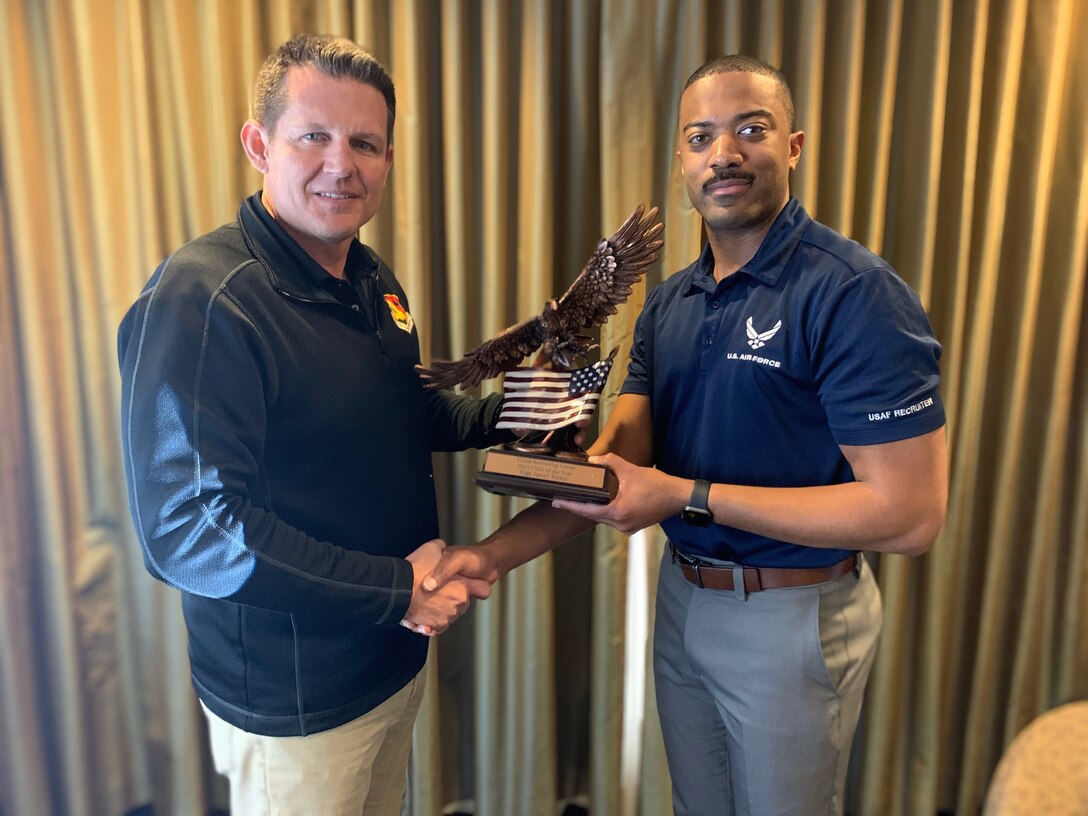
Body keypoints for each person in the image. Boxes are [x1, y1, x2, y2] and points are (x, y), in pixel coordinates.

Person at [417, 55, 948, 815]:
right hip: (685, 600)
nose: (723, 153)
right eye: (701, 138)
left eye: (749, 130)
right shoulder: (668, 307)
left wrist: (685, 495)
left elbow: (911, 515)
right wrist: (489, 554)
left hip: (792, 615)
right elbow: (614, 468)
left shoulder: (855, 295)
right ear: (682, 163)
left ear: (793, 146)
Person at [118, 34, 508, 815]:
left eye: (365, 143)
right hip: (295, 705)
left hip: (391, 654)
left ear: (389, 159)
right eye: (314, 137)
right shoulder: (206, 300)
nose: (343, 164)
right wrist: (397, 587)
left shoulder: (370, 276)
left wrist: (511, 414)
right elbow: (187, 529)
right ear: (260, 146)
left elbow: (401, 409)